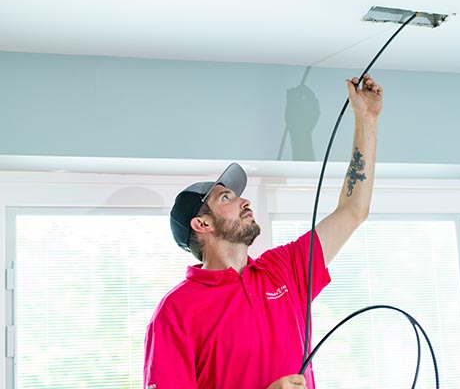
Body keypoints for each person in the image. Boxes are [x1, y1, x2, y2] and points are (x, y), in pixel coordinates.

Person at [143, 74, 383, 389]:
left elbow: (353, 211)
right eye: (225, 198)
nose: (244, 200)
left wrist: (366, 120)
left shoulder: (284, 269)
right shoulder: (176, 311)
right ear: (203, 224)